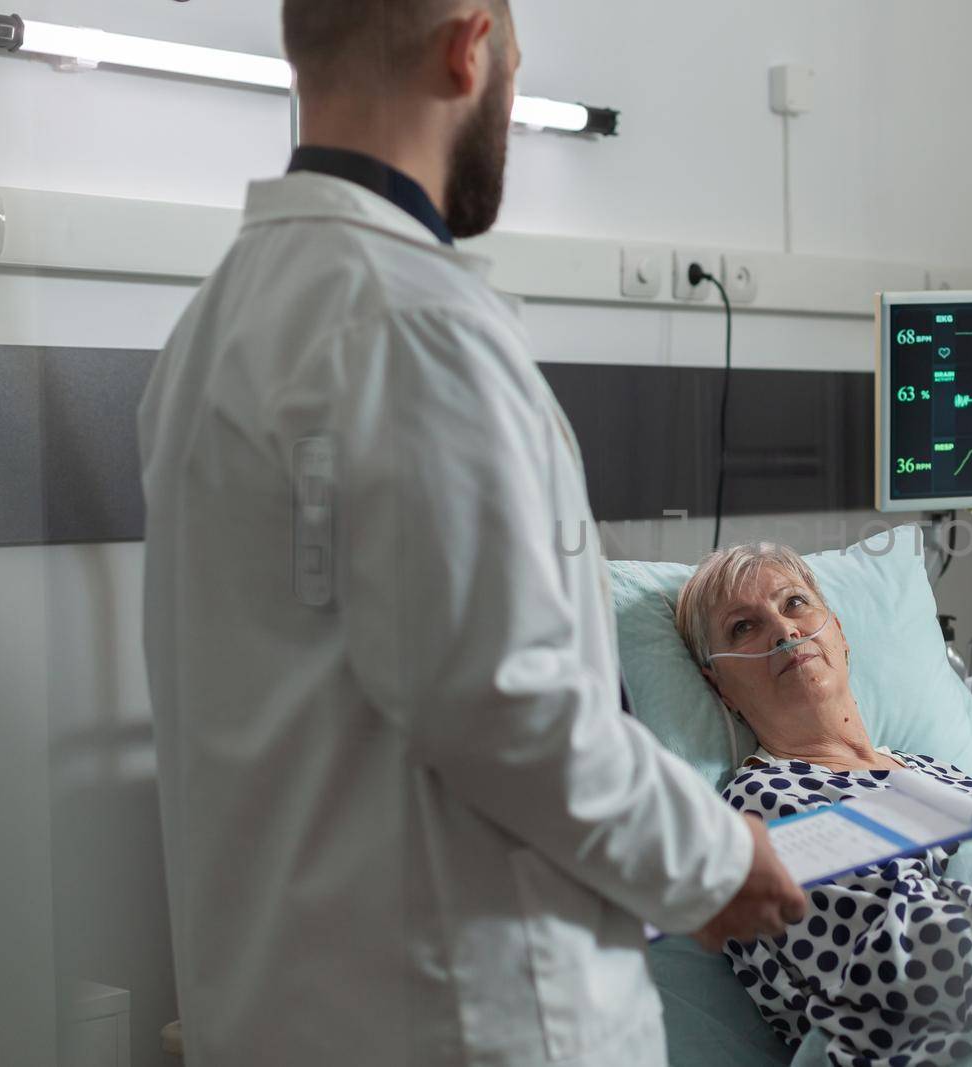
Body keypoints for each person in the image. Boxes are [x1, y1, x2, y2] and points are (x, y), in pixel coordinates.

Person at [137, 3, 803, 1065]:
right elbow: (507, 698)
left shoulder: (216, 327)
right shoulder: (408, 321)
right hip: (457, 1011)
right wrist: (712, 858)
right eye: (514, 64)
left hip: (284, 1005)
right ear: (467, 46)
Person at [674, 543, 972, 1066]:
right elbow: (909, 951)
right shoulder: (764, 801)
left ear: (840, 635)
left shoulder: (933, 772)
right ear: (720, 686)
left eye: (794, 603)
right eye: (743, 628)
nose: (783, 629)